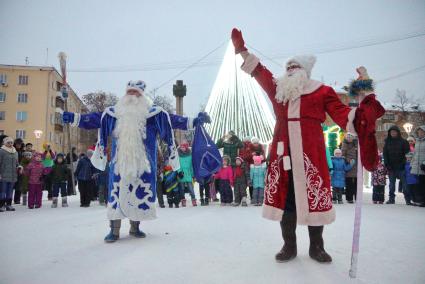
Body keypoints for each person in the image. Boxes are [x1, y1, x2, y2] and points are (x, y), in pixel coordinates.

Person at [231, 28, 384, 263]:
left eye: (295, 67)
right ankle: (289, 246)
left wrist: (364, 96)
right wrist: (242, 51)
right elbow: (259, 72)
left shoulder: (322, 91)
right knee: (286, 201)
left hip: (311, 155)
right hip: (283, 156)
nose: (290, 71)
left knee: (314, 200)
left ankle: (316, 247)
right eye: (288, 67)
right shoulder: (279, 89)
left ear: (305, 71)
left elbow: (346, 116)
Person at [62, 80, 211, 242]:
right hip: (120, 165)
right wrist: (73, 118)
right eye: (130, 92)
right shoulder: (113, 113)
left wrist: (194, 121)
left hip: (143, 166)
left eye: (136, 93)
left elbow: (173, 120)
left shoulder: (154, 115)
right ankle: (114, 230)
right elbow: (93, 119)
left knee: (139, 194)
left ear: (142, 95)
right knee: (116, 196)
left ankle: (135, 227)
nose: (132, 95)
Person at [383, 125, 410, 204]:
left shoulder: (404, 142)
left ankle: (407, 199)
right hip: (391, 167)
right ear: (389, 133)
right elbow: (385, 154)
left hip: (401, 167)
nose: (393, 133)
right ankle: (391, 199)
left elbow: (407, 154)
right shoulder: (387, 142)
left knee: (405, 184)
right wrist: (387, 164)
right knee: (391, 185)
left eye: (394, 132)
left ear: (398, 132)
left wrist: (403, 164)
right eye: (391, 132)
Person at [0, 137, 21, 211]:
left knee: (10, 191)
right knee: (2, 191)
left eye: (11, 142)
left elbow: (17, 163)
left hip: (13, 175)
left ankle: (9, 205)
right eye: (8, 142)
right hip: (3, 175)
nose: (10, 144)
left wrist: (19, 167)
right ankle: (1, 205)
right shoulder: (1, 151)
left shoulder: (15, 152)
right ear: (4, 143)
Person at [177, 141, 197, 207]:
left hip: (188, 173)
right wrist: (179, 172)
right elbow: (177, 164)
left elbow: (191, 165)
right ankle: (183, 200)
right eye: (181, 146)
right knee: (181, 188)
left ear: (186, 147)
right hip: (181, 174)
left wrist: (193, 174)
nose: (182, 148)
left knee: (191, 188)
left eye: (183, 147)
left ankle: (193, 199)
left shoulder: (190, 154)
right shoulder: (178, 154)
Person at [410, 125, 425, 207]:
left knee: (423, 184)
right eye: (419, 132)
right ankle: (419, 200)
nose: (420, 133)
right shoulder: (417, 141)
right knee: (418, 185)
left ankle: (423, 201)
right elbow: (415, 154)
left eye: (422, 131)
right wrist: (412, 164)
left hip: (423, 166)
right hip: (417, 166)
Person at [341, 133, 358, 203]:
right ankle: (349, 198)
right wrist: (349, 160)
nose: (349, 138)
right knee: (349, 182)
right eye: (348, 137)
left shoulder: (356, 144)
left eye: (350, 136)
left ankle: (357, 197)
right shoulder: (344, 144)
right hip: (349, 166)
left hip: (357, 165)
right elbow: (342, 155)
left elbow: (359, 153)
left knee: (357, 183)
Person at [13, 138, 25, 204]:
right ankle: (8, 199)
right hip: (13, 169)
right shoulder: (13, 150)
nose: (18, 145)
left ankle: (17, 199)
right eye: (17, 144)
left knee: (19, 185)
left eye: (20, 144)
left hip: (20, 169)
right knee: (12, 185)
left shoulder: (22, 151)